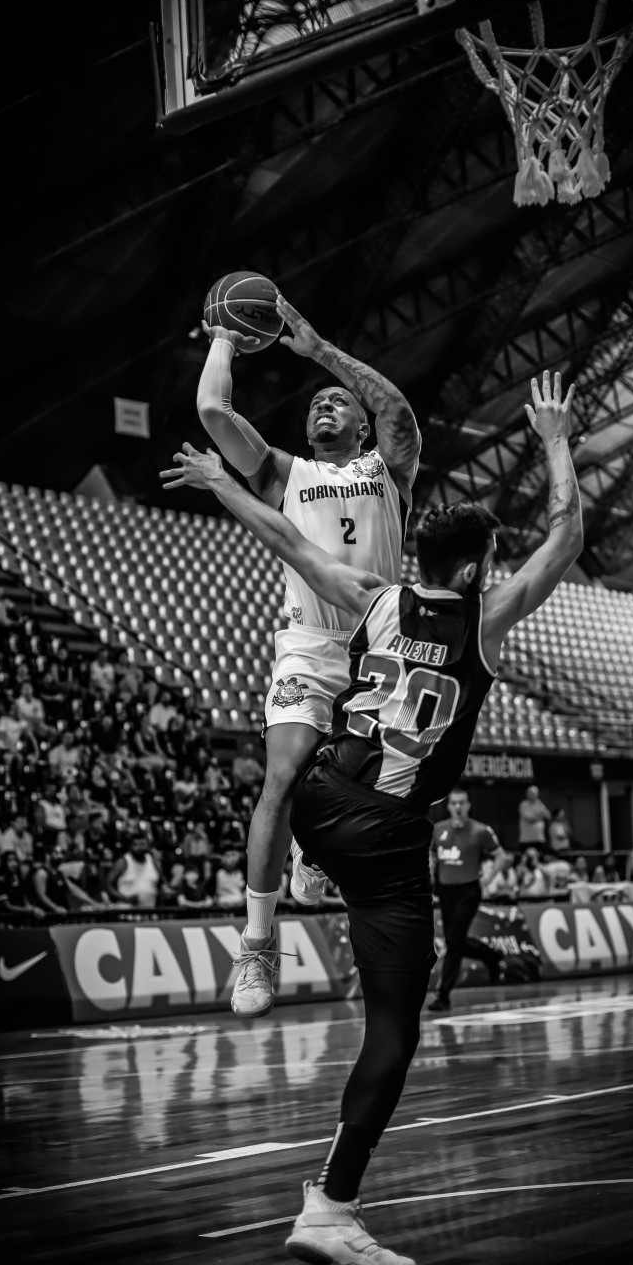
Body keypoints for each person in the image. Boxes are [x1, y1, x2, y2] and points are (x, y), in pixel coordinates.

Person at [162, 366, 582, 1265]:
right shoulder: (486, 619)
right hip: (390, 834)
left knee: (287, 777)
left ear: (416, 563)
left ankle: (280, 908)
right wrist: (552, 441)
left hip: (318, 795)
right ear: (472, 572)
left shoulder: (372, 597)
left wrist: (218, 483)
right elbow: (565, 535)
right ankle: (331, 1207)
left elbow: (283, 536)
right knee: (392, 1034)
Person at [195, 295, 421, 1019]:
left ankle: (313, 855)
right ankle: (258, 947)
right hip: (306, 645)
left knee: (368, 793)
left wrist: (318, 350)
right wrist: (224, 342)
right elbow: (213, 414)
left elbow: (399, 413)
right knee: (283, 775)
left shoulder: (388, 470)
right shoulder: (284, 473)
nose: (325, 408)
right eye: (315, 404)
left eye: (337, 404)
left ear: (357, 424)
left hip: (379, 648)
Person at [427, 788, 501, 1012]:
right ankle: (491, 955)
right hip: (445, 891)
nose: (458, 807)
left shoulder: (481, 831)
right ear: (449, 806)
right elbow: (431, 854)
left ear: (468, 805)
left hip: (468, 890)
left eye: (462, 803)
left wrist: (487, 879)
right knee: (454, 941)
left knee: (455, 940)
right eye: (454, 803)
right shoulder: (438, 830)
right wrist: (429, 876)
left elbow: (501, 856)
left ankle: (444, 994)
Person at [106, 833, 161, 909]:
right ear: (130, 846)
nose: (139, 848)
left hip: (149, 912)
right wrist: (124, 899)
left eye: (142, 844)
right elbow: (108, 884)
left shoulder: (154, 861)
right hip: (126, 912)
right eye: (136, 845)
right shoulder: (123, 862)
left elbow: (162, 882)